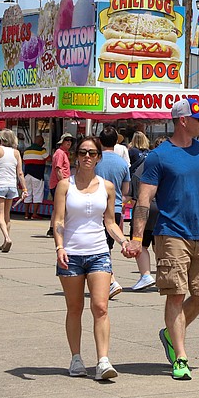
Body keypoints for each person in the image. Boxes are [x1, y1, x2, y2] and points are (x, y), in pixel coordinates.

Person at [125, 97, 199, 381]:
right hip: (171, 233)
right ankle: (181, 356)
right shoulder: (159, 156)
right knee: (176, 293)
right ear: (183, 120)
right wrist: (137, 237)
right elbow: (144, 200)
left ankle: (170, 334)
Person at [54, 136, 129, 381]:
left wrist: (123, 241)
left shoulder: (107, 186)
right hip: (71, 254)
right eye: (83, 152)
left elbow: (109, 222)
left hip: (98, 253)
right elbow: (58, 220)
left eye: (93, 153)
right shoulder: (66, 185)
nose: (87, 157)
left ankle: (103, 361)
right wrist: (59, 247)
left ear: (99, 157)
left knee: (101, 307)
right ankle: (76, 358)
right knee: (74, 308)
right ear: (76, 155)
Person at [95, 126, 130, 299]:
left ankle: (110, 280)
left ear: (100, 141)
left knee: (100, 248)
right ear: (116, 142)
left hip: (97, 208)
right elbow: (126, 190)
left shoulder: (95, 161)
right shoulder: (122, 163)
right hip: (115, 208)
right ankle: (108, 281)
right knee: (106, 247)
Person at [127, 131, 156, 291]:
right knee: (160, 245)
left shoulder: (139, 166)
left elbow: (134, 192)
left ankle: (145, 275)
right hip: (162, 209)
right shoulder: (163, 165)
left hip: (144, 208)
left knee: (141, 244)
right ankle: (164, 276)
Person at [0, 129, 23, 253]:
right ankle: (4, 241)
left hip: (0, 184)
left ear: (2, 139)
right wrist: (24, 188)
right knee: (7, 215)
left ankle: (7, 238)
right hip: (12, 185)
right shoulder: (16, 153)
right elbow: (20, 172)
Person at [46, 133, 74, 236]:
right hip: (58, 184)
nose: (69, 142)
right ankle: (53, 228)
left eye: (70, 140)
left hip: (61, 183)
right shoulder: (60, 153)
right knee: (60, 207)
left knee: (59, 207)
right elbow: (58, 169)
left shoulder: (65, 153)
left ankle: (54, 228)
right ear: (62, 141)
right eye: (67, 140)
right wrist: (63, 183)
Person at [22, 134, 48, 220]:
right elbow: (49, 159)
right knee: (37, 194)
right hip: (37, 175)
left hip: (27, 175)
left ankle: (26, 214)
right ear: (40, 142)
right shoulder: (42, 150)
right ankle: (34, 214)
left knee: (27, 193)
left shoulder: (26, 151)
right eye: (43, 142)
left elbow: (24, 160)